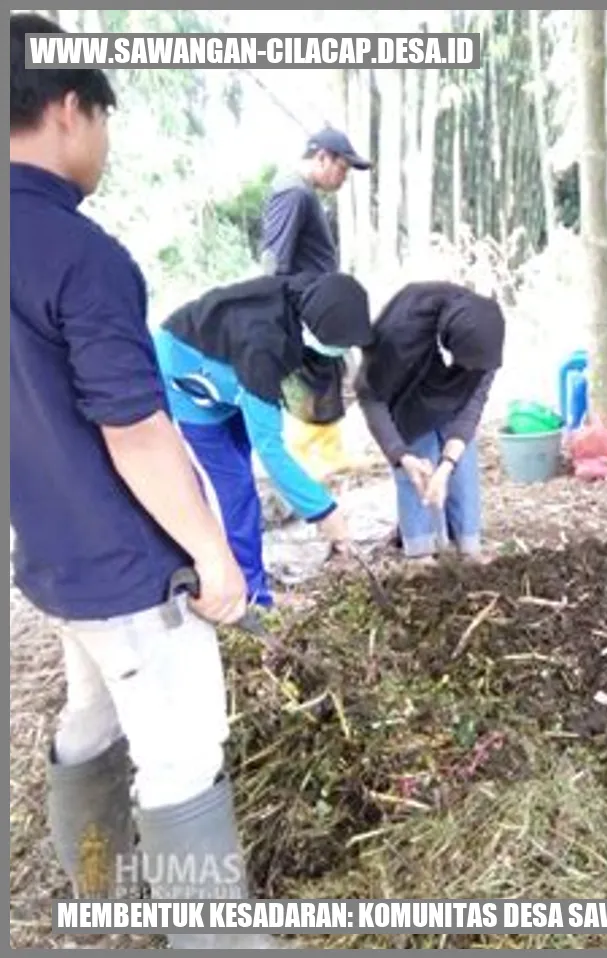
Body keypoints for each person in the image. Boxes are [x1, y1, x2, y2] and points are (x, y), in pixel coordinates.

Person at [10, 13, 272, 946]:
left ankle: (90, 896)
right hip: (128, 567)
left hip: (50, 558)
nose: (105, 146)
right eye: (105, 122)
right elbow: (135, 431)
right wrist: (215, 557)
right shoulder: (80, 256)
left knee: (90, 718)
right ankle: (218, 941)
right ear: (69, 109)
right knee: (180, 756)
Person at [152, 271, 374, 608]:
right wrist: (326, 512)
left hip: (230, 366)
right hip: (187, 377)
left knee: (244, 461)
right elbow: (270, 449)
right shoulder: (263, 347)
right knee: (236, 486)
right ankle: (252, 594)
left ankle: (251, 580)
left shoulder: (305, 294)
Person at [355, 281, 506, 563]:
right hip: (410, 396)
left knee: (461, 475)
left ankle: (468, 547)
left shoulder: (485, 332)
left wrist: (448, 463)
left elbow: (475, 398)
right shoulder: (399, 331)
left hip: (455, 400)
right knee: (418, 474)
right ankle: (420, 552)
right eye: (469, 365)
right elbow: (370, 396)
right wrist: (400, 455)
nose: (476, 369)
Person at [260, 126, 373, 479]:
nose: (343, 177)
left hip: (317, 303)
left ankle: (328, 452)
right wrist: (274, 309)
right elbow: (273, 258)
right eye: (342, 168)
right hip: (302, 305)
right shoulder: (293, 192)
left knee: (326, 374)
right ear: (321, 157)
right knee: (310, 378)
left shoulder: (303, 192)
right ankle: (310, 458)